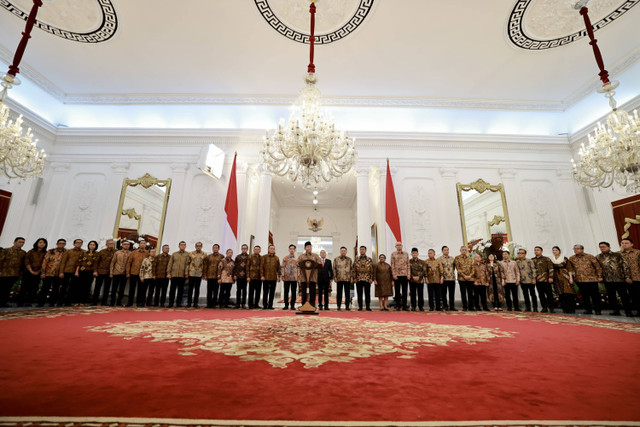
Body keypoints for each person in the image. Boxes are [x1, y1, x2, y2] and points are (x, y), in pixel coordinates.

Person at [596, 241, 632, 317]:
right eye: (601, 247)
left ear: (609, 247)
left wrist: (627, 276)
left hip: (619, 279)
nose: (602, 248)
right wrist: (599, 277)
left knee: (624, 296)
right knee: (611, 296)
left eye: (604, 247)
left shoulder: (617, 255)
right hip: (607, 280)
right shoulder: (598, 257)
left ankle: (628, 311)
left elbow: (625, 266)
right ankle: (616, 311)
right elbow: (597, 268)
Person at [568, 244, 603, 315]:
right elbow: (570, 268)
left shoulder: (589, 256)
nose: (575, 250)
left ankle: (597, 310)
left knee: (595, 295)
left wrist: (599, 276)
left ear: (582, 249)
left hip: (591, 279)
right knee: (584, 296)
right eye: (574, 249)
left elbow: (597, 266)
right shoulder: (572, 258)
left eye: (577, 248)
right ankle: (588, 309)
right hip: (580, 280)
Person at [38, 239, 66, 307]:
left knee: (55, 289)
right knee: (45, 288)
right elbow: (45, 261)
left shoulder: (66, 252)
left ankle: (52, 303)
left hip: (58, 273)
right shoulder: (51, 251)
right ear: (57, 244)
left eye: (63, 244)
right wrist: (43, 272)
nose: (61, 245)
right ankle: (41, 303)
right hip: (48, 272)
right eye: (60, 243)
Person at [19, 238, 47, 306]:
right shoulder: (31, 251)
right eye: (40, 242)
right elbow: (26, 261)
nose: (42, 244)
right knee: (24, 287)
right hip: (28, 272)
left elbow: (45, 263)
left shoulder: (46, 253)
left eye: (44, 243)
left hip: (38, 272)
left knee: (34, 288)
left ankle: (29, 302)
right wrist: (31, 271)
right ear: (37, 243)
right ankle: (20, 302)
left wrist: (38, 271)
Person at [0, 237, 27, 307]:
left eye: (23, 242)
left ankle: (3, 302)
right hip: (4, 273)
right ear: (14, 242)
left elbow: (23, 264)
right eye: (19, 242)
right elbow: (0, 261)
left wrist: (21, 272)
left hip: (15, 273)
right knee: (2, 288)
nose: (21, 243)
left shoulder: (23, 253)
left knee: (8, 288)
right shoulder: (6, 250)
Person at [58, 239, 86, 306]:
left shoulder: (84, 252)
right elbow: (63, 262)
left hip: (76, 272)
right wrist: (61, 272)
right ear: (74, 244)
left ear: (82, 244)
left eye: (80, 243)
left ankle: (68, 301)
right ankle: (60, 301)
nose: (78, 244)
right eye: (77, 243)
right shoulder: (68, 251)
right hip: (67, 270)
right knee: (64, 287)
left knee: (72, 287)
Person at [297, 241, 322, 307]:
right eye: (308, 247)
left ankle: (312, 305)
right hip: (303, 277)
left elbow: (320, 265)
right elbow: (297, 264)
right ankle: (303, 304)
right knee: (304, 292)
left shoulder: (315, 256)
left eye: (310, 247)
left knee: (312, 292)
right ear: (305, 248)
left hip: (313, 277)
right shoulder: (301, 256)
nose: (309, 248)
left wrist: (313, 264)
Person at [619, 238, 640, 316]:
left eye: (626, 243)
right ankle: (628, 312)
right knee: (625, 296)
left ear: (632, 244)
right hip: (623, 279)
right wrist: (625, 277)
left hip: (637, 277)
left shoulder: (637, 252)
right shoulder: (618, 254)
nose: (624, 244)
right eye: (622, 243)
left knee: (637, 295)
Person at [125, 239, 149, 307]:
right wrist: (127, 272)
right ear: (139, 244)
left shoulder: (147, 253)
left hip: (142, 274)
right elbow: (129, 263)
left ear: (145, 245)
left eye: (144, 243)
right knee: (131, 289)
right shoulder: (133, 253)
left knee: (141, 289)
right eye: (141, 243)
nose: (142, 245)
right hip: (133, 273)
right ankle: (130, 302)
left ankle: (139, 303)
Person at [532, 246, 555, 313]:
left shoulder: (546, 259)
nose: (536, 251)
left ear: (541, 251)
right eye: (535, 250)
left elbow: (551, 268)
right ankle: (544, 307)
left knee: (549, 294)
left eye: (538, 250)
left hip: (546, 279)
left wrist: (550, 277)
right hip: (538, 280)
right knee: (541, 294)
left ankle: (551, 308)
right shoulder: (532, 260)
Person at [93, 239, 116, 306]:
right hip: (100, 272)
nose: (111, 245)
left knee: (107, 288)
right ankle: (94, 301)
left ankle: (104, 302)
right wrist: (95, 271)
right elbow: (96, 262)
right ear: (106, 244)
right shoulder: (101, 252)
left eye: (112, 244)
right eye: (110, 243)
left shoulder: (115, 252)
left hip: (109, 273)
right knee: (97, 287)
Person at [167, 241, 189, 308]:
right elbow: (170, 264)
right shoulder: (174, 254)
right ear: (179, 246)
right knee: (172, 290)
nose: (182, 246)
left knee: (180, 290)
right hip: (174, 274)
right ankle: (170, 303)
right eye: (181, 245)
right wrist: (168, 273)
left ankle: (178, 303)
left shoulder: (188, 254)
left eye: (184, 245)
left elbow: (187, 265)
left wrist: (186, 273)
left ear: (185, 246)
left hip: (182, 275)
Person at [353, 245, 374, 311]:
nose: (362, 250)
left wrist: (371, 278)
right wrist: (354, 278)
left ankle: (368, 306)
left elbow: (372, 270)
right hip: (358, 278)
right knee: (359, 293)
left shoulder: (369, 259)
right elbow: (354, 269)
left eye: (363, 249)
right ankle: (360, 307)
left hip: (367, 278)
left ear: (365, 250)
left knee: (367, 293)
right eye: (361, 249)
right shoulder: (356, 259)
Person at [110, 240, 131, 306]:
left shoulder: (131, 253)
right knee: (114, 288)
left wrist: (128, 273)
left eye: (127, 244)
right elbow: (112, 262)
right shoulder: (117, 253)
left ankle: (119, 302)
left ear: (129, 246)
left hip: (124, 273)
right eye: (125, 244)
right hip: (116, 272)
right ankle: (112, 302)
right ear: (122, 245)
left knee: (122, 289)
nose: (126, 245)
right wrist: (111, 272)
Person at [186, 242, 207, 308]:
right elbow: (187, 264)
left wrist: (204, 274)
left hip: (199, 274)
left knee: (197, 289)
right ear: (195, 247)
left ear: (201, 247)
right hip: (191, 273)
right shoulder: (191, 253)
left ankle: (195, 303)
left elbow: (205, 265)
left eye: (200, 246)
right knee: (190, 289)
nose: (198, 247)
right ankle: (189, 303)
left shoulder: (204, 254)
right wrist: (186, 273)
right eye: (197, 246)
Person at [454, 246, 475, 311]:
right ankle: (464, 306)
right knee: (463, 293)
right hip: (462, 278)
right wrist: (464, 276)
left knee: (470, 293)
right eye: (463, 250)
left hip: (470, 278)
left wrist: (470, 275)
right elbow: (458, 268)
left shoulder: (470, 258)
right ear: (460, 250)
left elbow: (473, 268)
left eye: (465, 250)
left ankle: (471, 307)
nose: (464, 251)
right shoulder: (457, 258)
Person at [391, 242, 410, 311]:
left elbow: (408, 264)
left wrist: (408, 274)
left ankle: (404, 305)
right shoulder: (393, 254)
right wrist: (394, 274)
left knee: (405, 291)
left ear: (402, 246)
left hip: (405, 274)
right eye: (397, 245)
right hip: (397, 275)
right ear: (395, 246)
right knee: (397, 291)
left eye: (400, 245)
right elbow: (392, 265)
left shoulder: (406, 254)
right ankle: (398, 305)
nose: (399, 246)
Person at [204, 244, 224, 308]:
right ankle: (208, 304)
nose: (215, 249)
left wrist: (220, 277)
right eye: (214, 248)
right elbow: (205, 266)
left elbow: (222, 267)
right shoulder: (209, 256)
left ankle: (214, 304)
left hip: (217, 276)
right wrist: (205, 275)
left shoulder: (221, 256)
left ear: (218, 249)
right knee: (209, 291)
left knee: (216, 291)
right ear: (212, 249)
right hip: (209, 276)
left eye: (216, 248)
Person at [261, 245, 280, 310]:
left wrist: (279, 276)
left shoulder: (277, 258)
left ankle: (270, 305)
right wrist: (262, 276)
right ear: (268, 249)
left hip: (273, 278)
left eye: (273, 249)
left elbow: (278, 268)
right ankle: (265, 305)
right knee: (265, 292)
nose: (272, 250)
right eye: (271, 248)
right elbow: (261, 267)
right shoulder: (264, 257)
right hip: (265, 278)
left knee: (272, 293)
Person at [333, 246, 353, 311]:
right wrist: (335, 277)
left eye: (344, 251)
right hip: (339, 278)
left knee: (347, 293)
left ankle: (347, 306)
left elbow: (352, 269)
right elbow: (334, 269)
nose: (343, 252)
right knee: (339, 293)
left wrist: (351, 277)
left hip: (347, 278)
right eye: (342, 251)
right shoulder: (336, 259)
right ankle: (338, 306)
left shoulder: (349, 259)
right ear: (340, 252)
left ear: (346, 252)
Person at [438, 246, 457, 311]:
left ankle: (452, 306)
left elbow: (454, 267)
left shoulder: (452, 258)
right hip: (444, 279)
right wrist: (441, 277)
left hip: (452, 278)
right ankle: (445, 306)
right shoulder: (439, 259)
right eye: (445, 250)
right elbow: (439, 269)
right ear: (442, 251)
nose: (446, 251)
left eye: (447, 250)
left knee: (452, 293)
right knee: (443, 294)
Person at [281, 244, 299, 310]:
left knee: (293, 292)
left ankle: (292, 305)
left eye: (293, 249)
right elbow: (282, 267)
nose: (291, 250)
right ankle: (286, 305)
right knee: (286, 291)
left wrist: (298, 276)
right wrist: (282, 276)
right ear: (289, 250)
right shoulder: (285, 258)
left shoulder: (297, 259)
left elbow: (298, 268)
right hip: (286, 277)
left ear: (294, 250)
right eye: (290, 249)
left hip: (294, 278)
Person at [234, 244, 250, 309]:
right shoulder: (237, 257)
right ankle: (238, 304)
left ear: (247, 249)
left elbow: (249, 267)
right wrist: (235, 275)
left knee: (244, 290)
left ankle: (243, 304)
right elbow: (235, 267)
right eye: (243, 248)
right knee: (238, 290)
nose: (244, 249)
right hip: (238, 276)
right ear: (241, 249)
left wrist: (249, 276)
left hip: (246, 276)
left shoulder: (249, 257)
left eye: (245, 248)